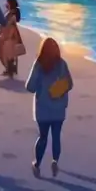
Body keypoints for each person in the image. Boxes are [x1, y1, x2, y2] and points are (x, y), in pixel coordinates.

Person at [26, 37, 73, 178]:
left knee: (43, 137)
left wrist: (41, 88)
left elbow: (30, 87)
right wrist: (59, 89)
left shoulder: (39, 64)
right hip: (59, 108)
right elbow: (70, 84)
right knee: (56, 136)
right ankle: (55, 161)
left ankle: (37, 163)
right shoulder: (62, 64)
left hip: (42, 109)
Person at [0, 0, 24, 78]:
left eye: (7, 3)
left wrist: (4, 34)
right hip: (9, 36)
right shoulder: (11, 13)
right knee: (8, 55)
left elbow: (10, 25)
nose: (6, 4)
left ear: (10, 4)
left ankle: (9, 71)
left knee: (6, 55)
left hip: (9, 36)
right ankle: (10, 70)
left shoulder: (11, 14)